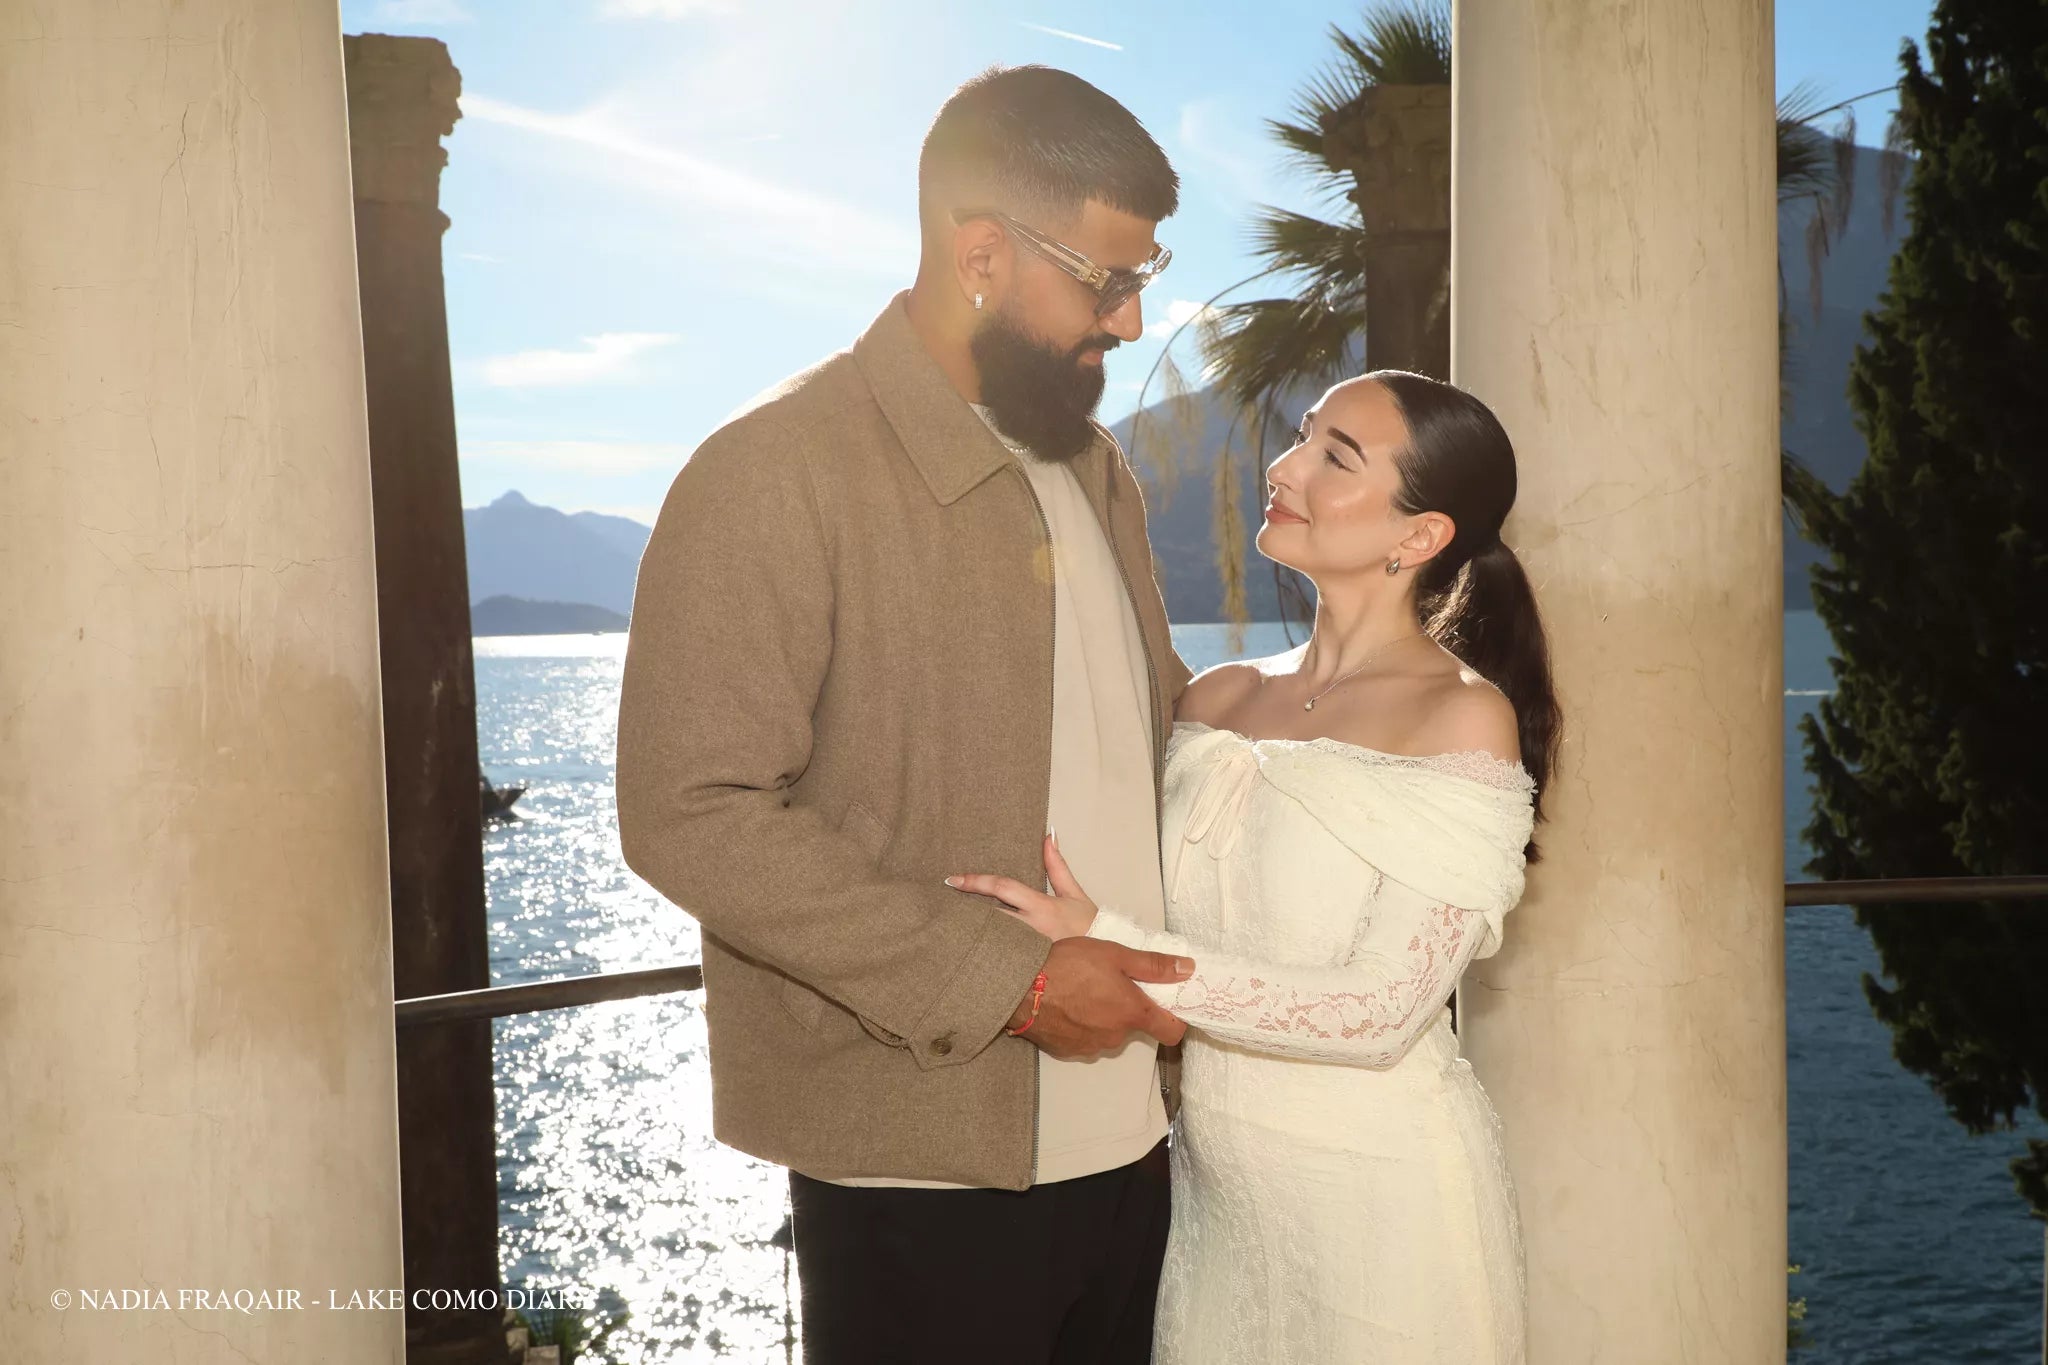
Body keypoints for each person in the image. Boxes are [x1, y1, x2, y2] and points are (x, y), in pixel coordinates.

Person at [615, 65, 1202, 1364]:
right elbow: (687, 812)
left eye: (1144, 272)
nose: (1134, 315)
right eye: (1108, 279)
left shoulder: (1097, 470)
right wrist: (1017, 978)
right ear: (981, 251)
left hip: (1140, 1151)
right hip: (918, 1186)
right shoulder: (770, 470)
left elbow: (1150, 730)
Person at [950, 371, 1562, 1363]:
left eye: (1334, 457)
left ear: (1419, 537)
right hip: (1213, 1208)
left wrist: (1110, 949)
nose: (1283, 467)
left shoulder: (1460, 717)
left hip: (1384, 1208)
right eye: (1301, 437)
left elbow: (1379, 1012)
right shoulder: (1217, 700)